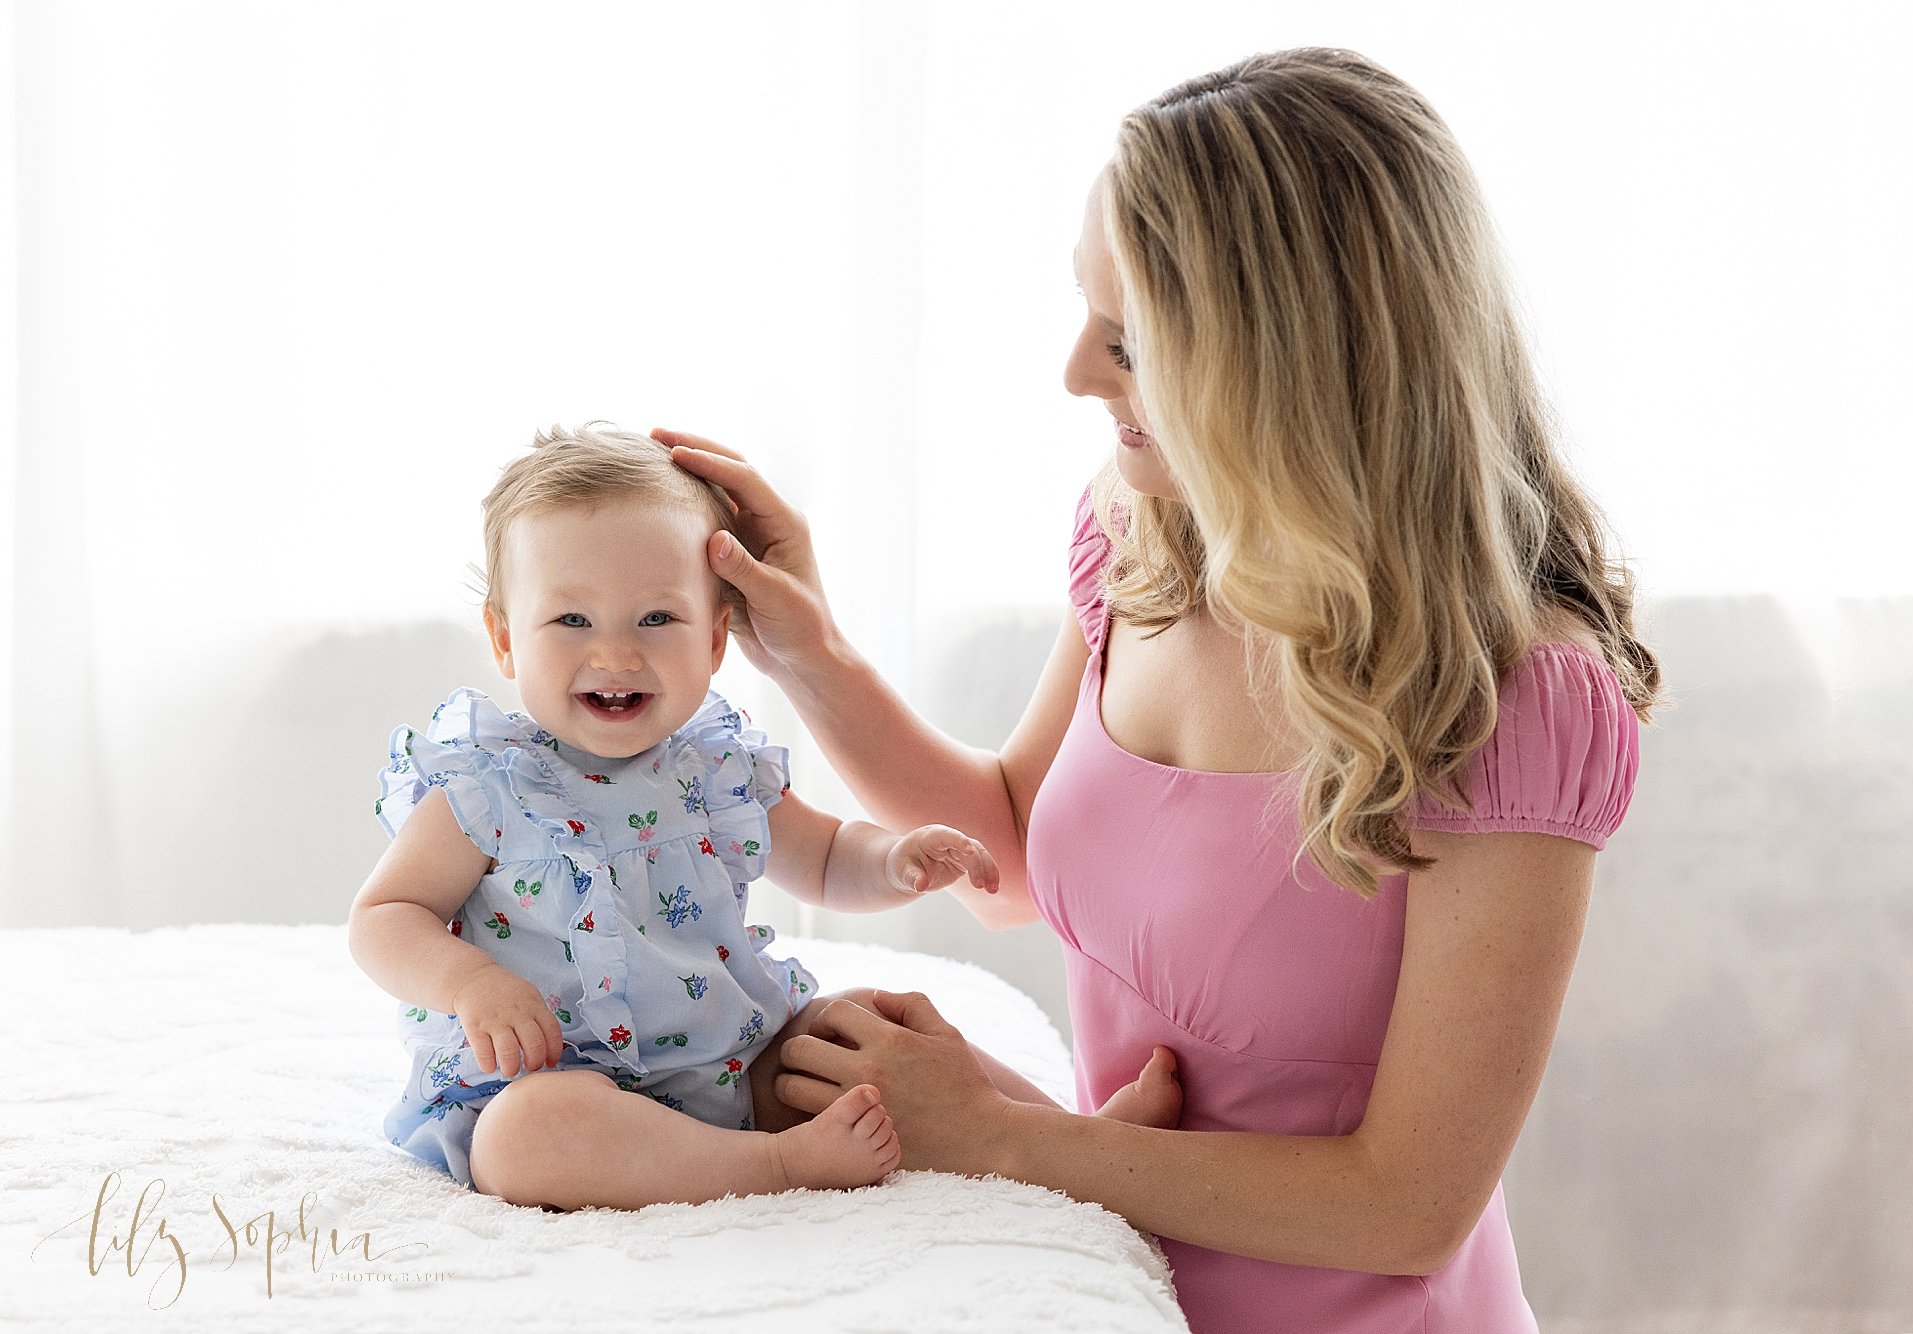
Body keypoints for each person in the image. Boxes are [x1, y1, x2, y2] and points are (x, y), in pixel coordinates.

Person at [653, 46, 1660, 1334]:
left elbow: (1407, 1204)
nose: (1076, 371)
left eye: (1129, 342)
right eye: (1085, 311)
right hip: (1112, 1285)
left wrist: (1001, 1130)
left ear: (1285, 362)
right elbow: (1010, 857)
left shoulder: (1516, 697)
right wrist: (808, 650)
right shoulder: (1146, 534)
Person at [347, 422, 1017, 1211]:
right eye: (572, 622)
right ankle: (770, 1167)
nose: (618, 655)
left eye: (657, 620)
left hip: (735, 1062)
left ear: (715, 641)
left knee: (858, 1027)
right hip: (561, 1076)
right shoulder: (489, 787)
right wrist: (469, 984)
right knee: (523, 1137)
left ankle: (1050, 1125)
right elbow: (384, 916)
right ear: (503, 638)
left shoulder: (716, 766)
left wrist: (897, 859)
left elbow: (828, 857)